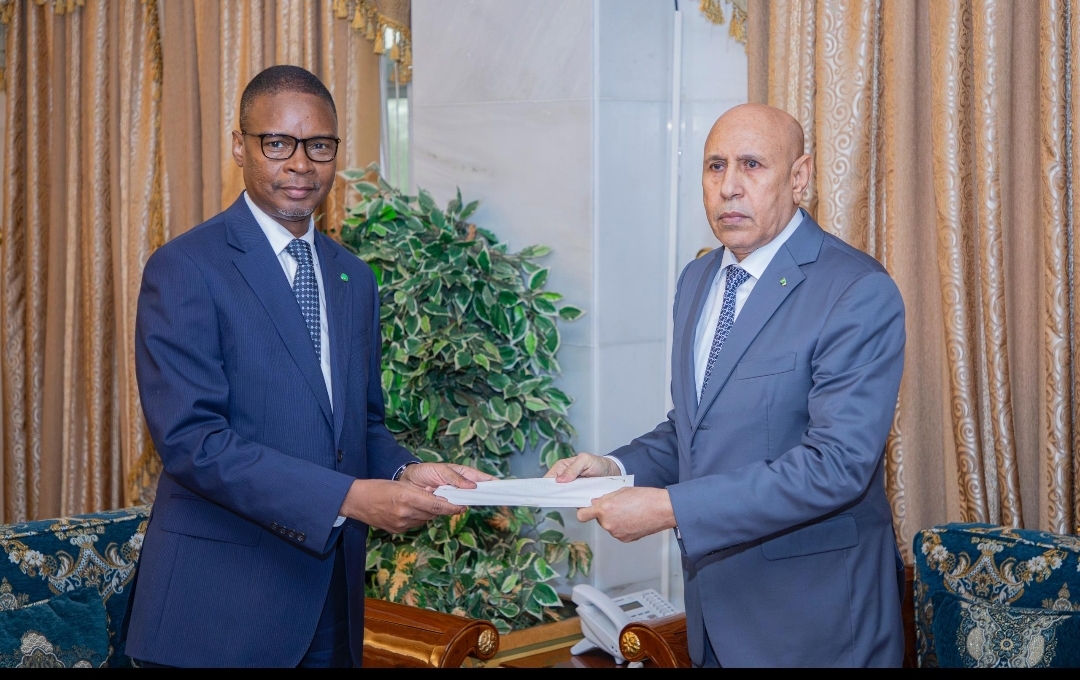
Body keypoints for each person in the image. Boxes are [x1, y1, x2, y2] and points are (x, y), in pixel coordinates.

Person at [122, 65, 490, 668]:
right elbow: (194, 442)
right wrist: (349, 498)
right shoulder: (187, 267)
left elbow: (360, 425)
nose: (301, 164)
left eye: (319, 146)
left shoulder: (354, 278)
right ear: (240, 146)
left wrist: (406, 471)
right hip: (219, 612)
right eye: (278, 144)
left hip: (331, 605)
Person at [547, 104, 906, 667]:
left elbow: (836, 465)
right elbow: (694, 430)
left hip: (817, 625)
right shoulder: (697, 280)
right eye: (715, 166)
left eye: (752, 165)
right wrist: (614, 467)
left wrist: (670, 508)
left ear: (800, 177)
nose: (729, 187)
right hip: (713, 615)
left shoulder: (855, 289)